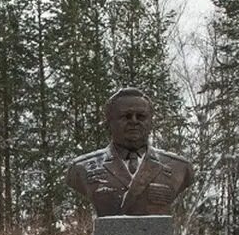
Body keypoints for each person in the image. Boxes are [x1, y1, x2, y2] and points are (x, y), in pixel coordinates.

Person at [66, 87, 195, 217]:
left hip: (155, 234)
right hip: (110, 234)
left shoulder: (179, 168)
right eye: (126, 116)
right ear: (109, 122)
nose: (134, 121)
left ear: (151, 122)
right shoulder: (81, 168)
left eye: (141, 117)